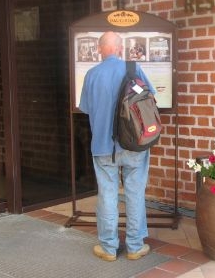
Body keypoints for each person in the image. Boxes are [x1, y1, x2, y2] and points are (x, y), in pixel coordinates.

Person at [79, 31, 156, 262]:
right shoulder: (133, 70)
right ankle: (134, 246)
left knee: (107, 195)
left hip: (103, 145)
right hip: (134, 143)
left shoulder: (91, 75)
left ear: (100, 49)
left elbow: (86, 108)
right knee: (134, 193)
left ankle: (109, 248)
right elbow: (149, 98)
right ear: (120, 49)